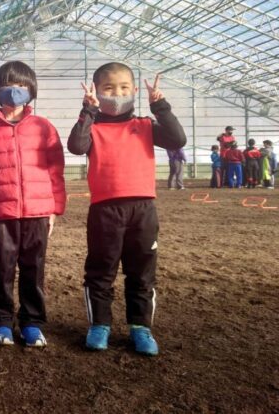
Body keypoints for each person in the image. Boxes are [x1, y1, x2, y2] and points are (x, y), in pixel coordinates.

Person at [67, 63, 186, 356]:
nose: (117, 94)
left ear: (134, 91)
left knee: (142, 272)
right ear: (97, 91)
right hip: (105, 211)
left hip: (143, 210)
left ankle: (140, 327)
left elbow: (177, 139)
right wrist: (88, 110)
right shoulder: (93, 127)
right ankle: (100, 325)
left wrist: (160, 106)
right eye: (108, 89)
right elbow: (77, 146)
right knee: (101, 270)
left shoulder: (145, 125)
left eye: (123, 88)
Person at [0, 61, 66, 348]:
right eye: (8, 85)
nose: (15, 91)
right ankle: (1, 321)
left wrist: (54, 208)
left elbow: (56, 170)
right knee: (2, 268)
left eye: (22, 85)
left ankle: (32, 323)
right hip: (2, 213)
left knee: (34, 267)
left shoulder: (44, 128)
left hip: (38, 211)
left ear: (31, 90)